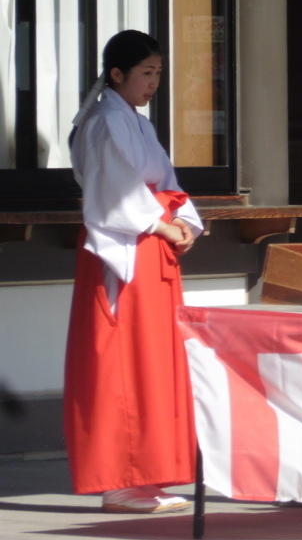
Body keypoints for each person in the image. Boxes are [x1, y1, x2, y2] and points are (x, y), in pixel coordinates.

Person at [64, 30, 204, 513]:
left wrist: (183, 222)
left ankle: (147, 475)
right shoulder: (105, 121)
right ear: (117, 74)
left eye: (158, 73)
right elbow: (114, 194)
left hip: (151, 246)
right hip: (124, 252)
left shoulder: (136, 123)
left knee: (153, 359)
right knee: (124, 358)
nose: (154, 83)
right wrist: (163, 226)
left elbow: (166, 181)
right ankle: (121, 480)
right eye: (146, 73)